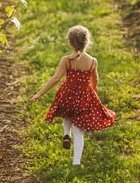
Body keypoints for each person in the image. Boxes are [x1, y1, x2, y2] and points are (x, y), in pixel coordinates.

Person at [29, 25, 115, 166]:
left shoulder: (67, 60)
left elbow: (55, 78)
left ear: (69, 42)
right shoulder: (93, 61)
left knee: (68, 115)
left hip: (68, 94)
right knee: (78, 129)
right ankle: (76, 162)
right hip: (84, 97)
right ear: (87, 42)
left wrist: (38, 94)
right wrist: (94, 90)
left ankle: (66, 134)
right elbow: (95, 79)